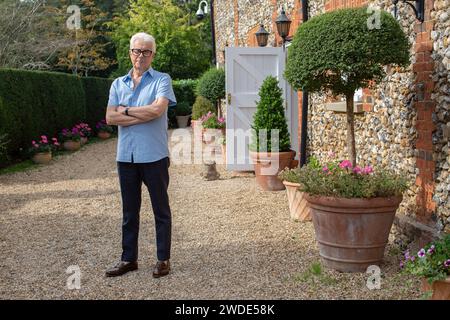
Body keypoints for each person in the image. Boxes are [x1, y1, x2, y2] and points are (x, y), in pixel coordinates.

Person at [104, 32, 176, 278]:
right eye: (137, 50)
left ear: (153, 54)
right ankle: (128, 259)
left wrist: (125, 111)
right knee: (129, 212)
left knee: (161, 211)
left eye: (146, 51)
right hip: (126, 157)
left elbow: (157, 111)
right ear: (130, 53)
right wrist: (137, 114)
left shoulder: (162, 80)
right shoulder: (117, 83)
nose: (141, 55)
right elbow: (110, 117)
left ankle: (163, 259)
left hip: (154, 156)